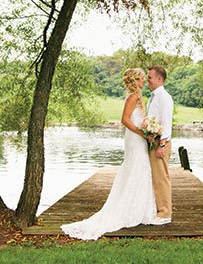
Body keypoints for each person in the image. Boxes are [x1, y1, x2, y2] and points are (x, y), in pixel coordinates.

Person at [61, 68, 156, 240]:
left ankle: (139, 209)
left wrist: (147, 128)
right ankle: (130, 210)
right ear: (135, 80)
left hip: (137, 137)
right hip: (135, 139)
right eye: (142, 78)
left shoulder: (137, 97)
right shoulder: (133, 97)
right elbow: (125, 120)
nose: (144, 81)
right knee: (138, 167)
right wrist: (142, 133)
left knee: (139, 169)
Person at [147, 65, 173, 225]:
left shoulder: (165, 97)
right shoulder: (154, 97)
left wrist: (162, 144)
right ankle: (157, 211)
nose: (148, 80)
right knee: (154, 178)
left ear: (159, 79)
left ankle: (165, 214)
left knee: (161, 178)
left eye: (150, 77)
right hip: (153, 141)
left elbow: (167, 122)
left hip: (160, 143)